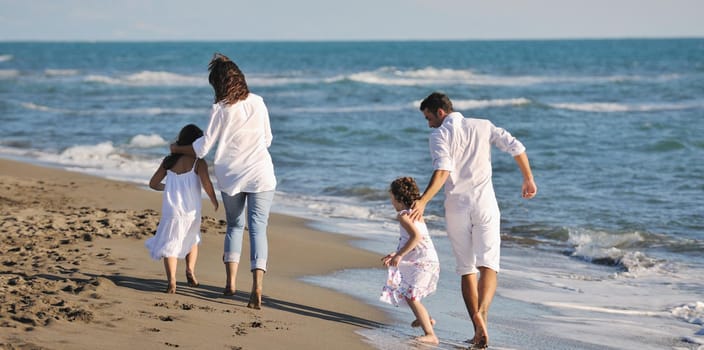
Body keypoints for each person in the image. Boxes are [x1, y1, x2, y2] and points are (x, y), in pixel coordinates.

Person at [410, 92, 537, 349]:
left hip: (457, 207)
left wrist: (423, 201)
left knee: (467, 269)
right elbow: (517, 147)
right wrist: (528, 178)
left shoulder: (439, 134)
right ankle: (482, 319)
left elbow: (443, 170)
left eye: (428, 117)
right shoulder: (483, 125)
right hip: (486, 204)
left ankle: (476, 326)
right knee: (489, 265)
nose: (429, 124)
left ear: (440, 112)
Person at [170, 53, 276, 309]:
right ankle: (257, 287)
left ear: (218, 84)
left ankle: (230, 284)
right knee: (258, 228)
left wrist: (178, 149)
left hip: (232, 175)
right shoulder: (259, 102)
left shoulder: (220, 109)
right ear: (240, 78)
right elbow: (268, 139)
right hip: (261, 172)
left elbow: (203, 148)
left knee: (235, 226)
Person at [145, 123, 219, 294]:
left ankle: (172, 281)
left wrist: (169, 188)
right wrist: (214, 200)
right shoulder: (198, 163)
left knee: (169, 244)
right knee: (192, 239)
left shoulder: (168, 161)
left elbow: (153, 184)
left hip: (172, 211)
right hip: (191, 211)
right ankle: (190, 270)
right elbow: (207, 184)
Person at [381, 176, 440, 345]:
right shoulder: (416, 214)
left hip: (422, 261)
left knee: (411, 296)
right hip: (427, 259)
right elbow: (413, 240)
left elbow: (415, 237)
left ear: (398, 198)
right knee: (409, 293)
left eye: (391, 197)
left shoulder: (403, 216)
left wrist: (399, 256)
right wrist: (395, 253)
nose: (391, 201)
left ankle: (431, 335)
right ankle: (426, 319)